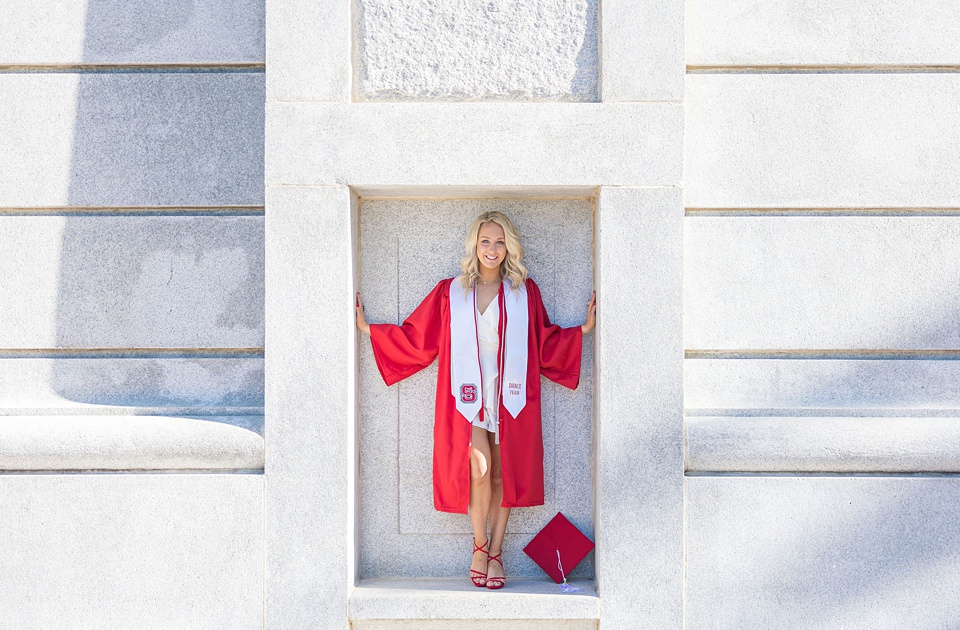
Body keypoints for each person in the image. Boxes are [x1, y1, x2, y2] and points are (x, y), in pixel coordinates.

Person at [356, 211, 596, 590]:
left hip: (509, 394)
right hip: (466, 396)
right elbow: (419, 336)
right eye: (485, 241)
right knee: (480, 469)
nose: (492, 249)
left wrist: (581, 331)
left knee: (504, 473)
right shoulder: (450, 292)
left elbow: (543, 341)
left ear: (509, 247)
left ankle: (496, 553)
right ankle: (479, 547)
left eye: (499, 242)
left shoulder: (524, 292)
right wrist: (371, 330)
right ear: (475, 245)